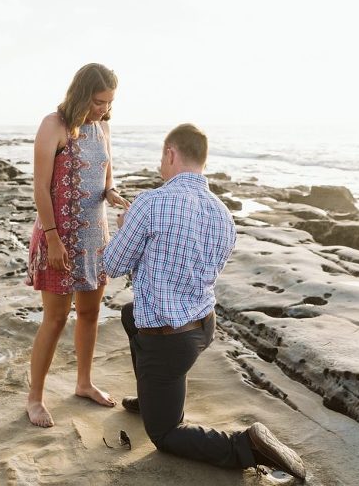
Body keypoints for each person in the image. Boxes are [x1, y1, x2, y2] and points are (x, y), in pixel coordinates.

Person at [102, 124, 307, 478]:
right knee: (131, 313)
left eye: (161, 159)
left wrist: (125, 228)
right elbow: (189, 269)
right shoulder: (224, 215)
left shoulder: (152, 203)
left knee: (165, 434)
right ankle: (150, 397)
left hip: (169, 338)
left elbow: (113, 264)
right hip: (203, 324)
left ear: (170, 154)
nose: (160, 167)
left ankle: (245, 446)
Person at [25, 63, 130, 428]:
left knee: (89, 314)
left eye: (109, 102)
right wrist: (52, 238)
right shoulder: (53, 125)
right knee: (54, 319)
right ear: (82, 94)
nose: (104, 108)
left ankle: (83, 383)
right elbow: (40, 187)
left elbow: (106, 172)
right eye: (99, 101)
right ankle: (34, 398)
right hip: (60, 237)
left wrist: (112, 193)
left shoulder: (103, 126)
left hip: (95, 237)